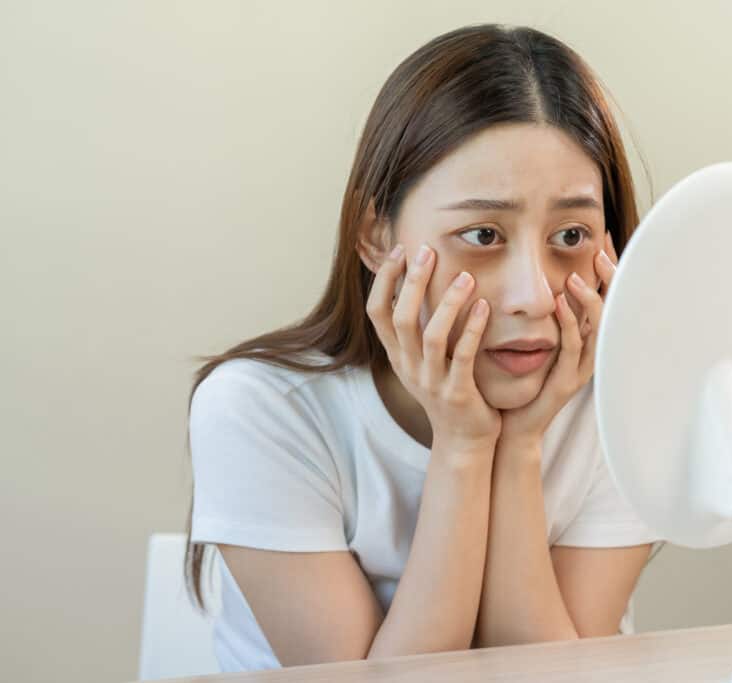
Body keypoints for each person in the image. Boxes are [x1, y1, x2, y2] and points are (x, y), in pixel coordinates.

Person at [184, 22, 665, 673]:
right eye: (485, 233)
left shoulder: (627, 410)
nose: (532, 294)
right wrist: (465, 444)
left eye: (572, 235)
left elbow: (548, 673)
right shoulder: (260, 410)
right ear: (376, 237)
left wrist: (519, 446)